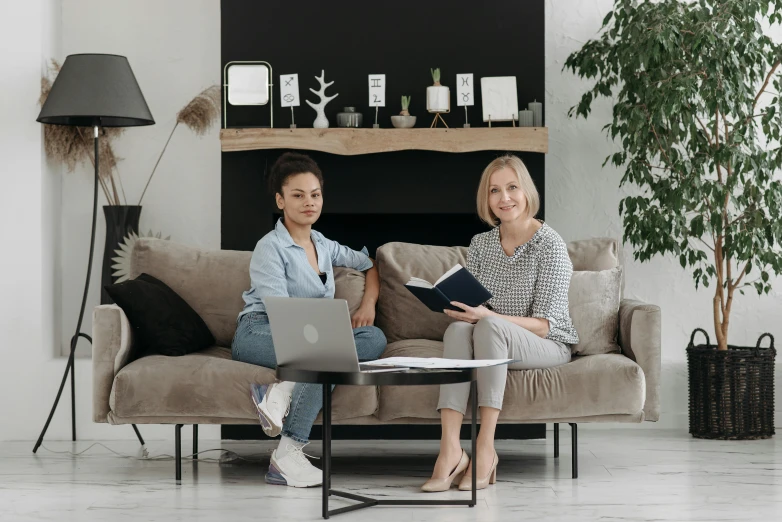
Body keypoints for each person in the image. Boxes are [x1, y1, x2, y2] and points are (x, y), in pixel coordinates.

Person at [421, 154, 579, 493]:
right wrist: (459, 307)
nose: (504, 198)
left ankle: (485, 449)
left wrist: (487, 317)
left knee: (488, 326)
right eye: (495, 190)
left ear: (526, 193)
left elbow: (545, 325)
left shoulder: (550, 245)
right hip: (492, 335)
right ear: (487, 199)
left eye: (512, 188)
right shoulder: (481, 244)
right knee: (459, 328)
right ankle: (450, 450)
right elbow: (477, 306)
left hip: (547, 343)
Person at [232, 152, 387, 488]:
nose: (309, 202)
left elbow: (369, 262)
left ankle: (279, 393)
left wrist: (368, 305)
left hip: (310, 337)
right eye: (298, 195)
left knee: (374, 338)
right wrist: (330, 340)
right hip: (261, 331)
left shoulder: (324, 245)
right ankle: (288, 454)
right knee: (331, 359)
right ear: (280, 200)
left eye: (315, 194)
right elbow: (283, 315)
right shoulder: (269, 248)